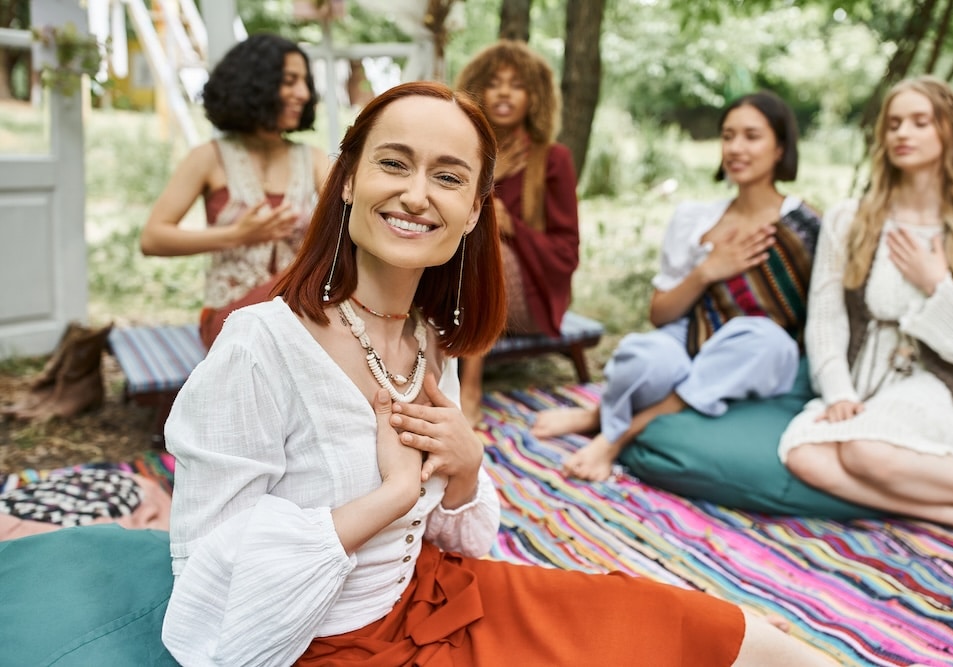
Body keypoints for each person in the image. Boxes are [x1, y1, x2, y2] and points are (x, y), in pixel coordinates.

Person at [159, 80, 838, 667]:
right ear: (348, 181)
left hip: (437, 597)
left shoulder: (431, 338)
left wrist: (463, 466)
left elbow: (453, 534)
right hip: (318, 644)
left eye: (449, 177)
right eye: (394, 164)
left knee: (709, 629)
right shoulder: (262, 343)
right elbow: (209, 584)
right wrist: (391, 495)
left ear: (475, 208)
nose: (417, 195)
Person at [533, 90, 822, 482]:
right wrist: (707, 271)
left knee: (761, 339)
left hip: (761, 353)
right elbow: (660, 314)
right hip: (693, 334)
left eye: (751, 136)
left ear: (780, 147)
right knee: (644, 355)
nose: (736, 148)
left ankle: (615, 431)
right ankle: (596, 414)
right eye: (727, 135)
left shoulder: (808, 227)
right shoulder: (695, 219)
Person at [778, 76, 953, 534]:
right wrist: (838, 391)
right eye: (895, 123)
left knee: (863, 451)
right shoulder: (850, 218)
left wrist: (937, 284)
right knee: (803, 454)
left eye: (920, 122)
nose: (902, 133)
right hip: (860, 381)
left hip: (932, 384)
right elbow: (825, 317)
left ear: (949, 133)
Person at [140, 33, 330, 349]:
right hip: (234, 316)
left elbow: (350, 225)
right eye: (290, 81)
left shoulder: (312, 159)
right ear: (254, 84)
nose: (303, 93)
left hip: (300, 307)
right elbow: (152, 239)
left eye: (305, 82)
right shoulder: (208, 158)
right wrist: (237, 235)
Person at [453, 39, 581, 425]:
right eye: (495, 83)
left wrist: (513, 229)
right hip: (457, 279)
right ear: (478, 91)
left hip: (532, 294)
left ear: (535, 96)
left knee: (487, 247)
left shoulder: (553, 159)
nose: (505, 92)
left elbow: (566, 254)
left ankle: (469, 385)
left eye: (518, 84)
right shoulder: (466, 151)